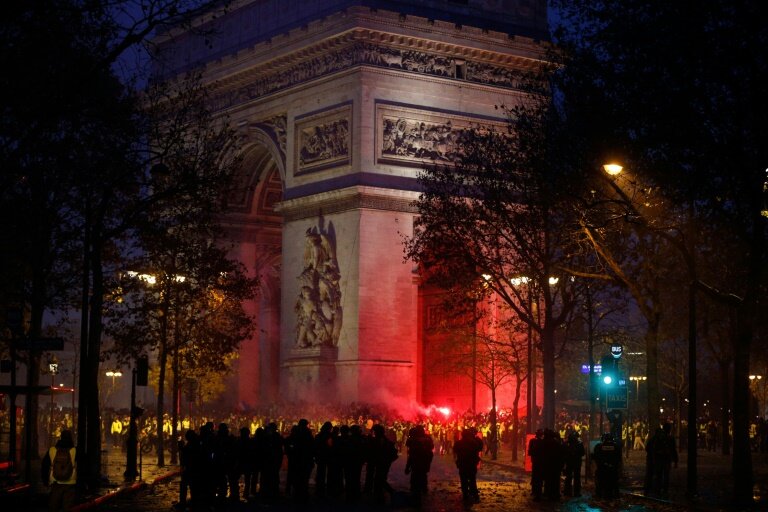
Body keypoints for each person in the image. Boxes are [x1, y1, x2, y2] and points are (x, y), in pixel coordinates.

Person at [42, 429, 77, 512]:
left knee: (53, 507)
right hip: (70, 484)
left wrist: (45, 481)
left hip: (55, 483)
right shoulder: (75, 451)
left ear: (60, 437)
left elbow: (44, 466)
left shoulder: (52, 450)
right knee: (68, 508)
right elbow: (83, 466)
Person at [404, 425, 434, 503]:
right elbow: (431, 449)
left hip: (416, 460)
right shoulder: (427, 438)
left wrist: (407, 466)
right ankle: (424, 489)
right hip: (425, 460)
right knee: (423, 474)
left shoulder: (413, 439)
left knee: (415, 476)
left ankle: (416, 494)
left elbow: (410, 453)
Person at [646, 423, 678, 496]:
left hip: (660, 459)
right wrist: (675, 460)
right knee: (665, 475)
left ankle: (658, 489)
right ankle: (664, 490)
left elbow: (652, 449)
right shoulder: (670, 438)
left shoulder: (658, 438)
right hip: (665, 459)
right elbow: (673, 450)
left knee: (659, 475)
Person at [453, 428, 483, 503]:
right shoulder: (474, 442)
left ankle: (465, 495)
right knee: (472, 479)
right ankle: (474, 494)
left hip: (462, 464)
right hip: (472, 464)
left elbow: (455, 451)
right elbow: (479, 448)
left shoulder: (459, 443)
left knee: (464, 480)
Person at [593, 433, 620, 499]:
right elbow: (618, 458)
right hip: (613, 468)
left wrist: (602, 464)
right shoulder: (616, 446)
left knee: (600, 483)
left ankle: (599, 495)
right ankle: (614, 496)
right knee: (614, 482)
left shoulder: (598, 446)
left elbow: (595, 457)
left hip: (602, 468)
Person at [563, 430, 585, 497]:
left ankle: (567, 492)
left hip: (569, 462)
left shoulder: (566, 443)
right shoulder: (580, 443)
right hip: (577, 463)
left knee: (568, 477)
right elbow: (582, 453)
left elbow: (564, 453)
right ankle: (576, 493)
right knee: (577, 478)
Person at [528, 429, 544, 501]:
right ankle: (538, 493)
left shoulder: (532, 441)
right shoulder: (543, 442)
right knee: (538, 478)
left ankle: (534, 491)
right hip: (540, 462)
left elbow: (530, 452)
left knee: (535, 477)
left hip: (535, 461)